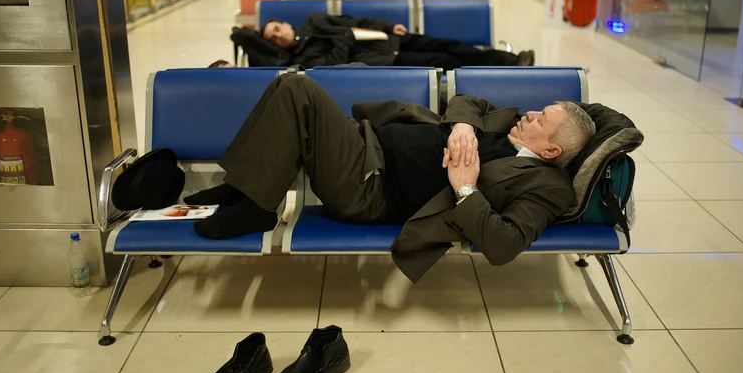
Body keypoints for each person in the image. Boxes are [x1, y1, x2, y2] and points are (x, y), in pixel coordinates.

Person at [184, 73, 596, 282]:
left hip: (370, 188)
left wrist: (465, 187)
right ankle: (243, 186)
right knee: (284, 85)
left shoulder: (547, 187)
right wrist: (463, 127)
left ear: (551, 151)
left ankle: (258, 207)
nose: (530, 114)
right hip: (367, 141)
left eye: (541, 119)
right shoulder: (508, 123)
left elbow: (505, 245)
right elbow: (468, 100)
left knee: (299, 90)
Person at [259, 13, 535, 69]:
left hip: (386, 39)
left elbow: (356, 21)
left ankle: (509, 60)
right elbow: (335, 63)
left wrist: (389, 26)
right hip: (383, 59)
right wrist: (344, 37)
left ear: (285, 24)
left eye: (277, 28)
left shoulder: (313, 20)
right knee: (445, 60)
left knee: (449, 44)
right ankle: (498, 70)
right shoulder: (303, 59)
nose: (279, 35)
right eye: (274, 38)